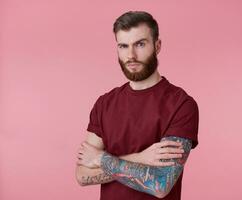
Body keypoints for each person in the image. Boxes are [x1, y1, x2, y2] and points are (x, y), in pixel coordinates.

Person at [75, 11, 199, 200]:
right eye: (123, 46)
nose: (131, 55)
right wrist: (140, 158)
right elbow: (82, 175)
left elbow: (160, 185)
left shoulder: (181, 105)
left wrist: (100, 158)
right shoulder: (104, 104)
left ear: (157, 46)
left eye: (140, 44)